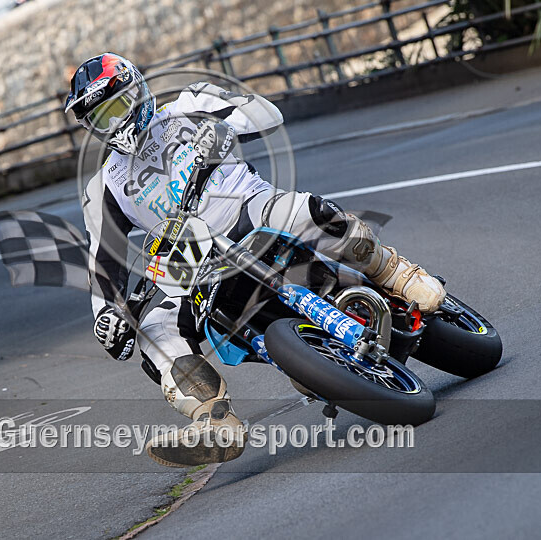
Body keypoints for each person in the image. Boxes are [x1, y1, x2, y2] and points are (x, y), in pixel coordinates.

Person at [65, 53, 446, 467]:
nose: (115, 122)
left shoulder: (192, 103)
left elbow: (266, 113)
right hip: (192, 258)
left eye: (118, 105)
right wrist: (108, 316)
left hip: (248, 207)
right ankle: (214, 421)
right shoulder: (104, 185)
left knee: (304, 211)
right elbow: (104, 259)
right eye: (101, 118)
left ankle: (395, 272)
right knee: (154, 328)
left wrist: (222, 128)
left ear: (136, 89)